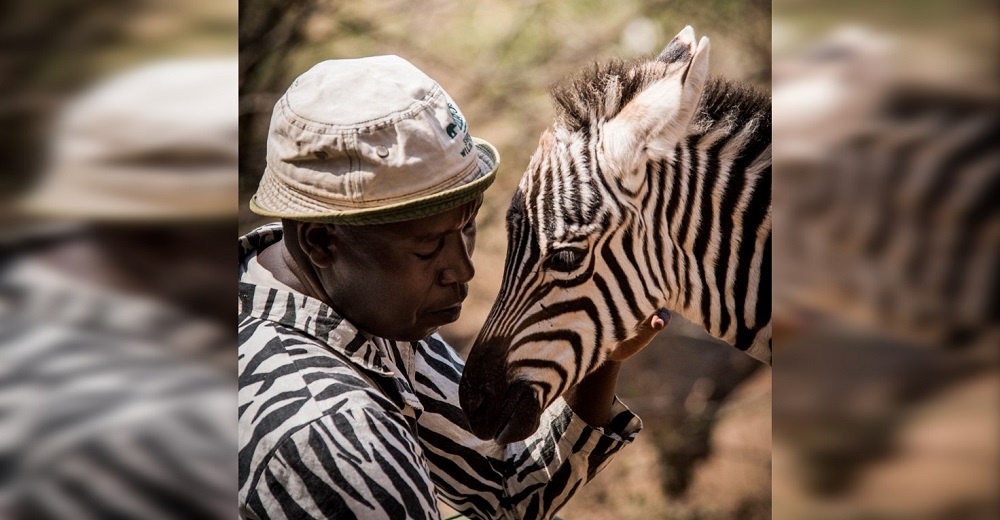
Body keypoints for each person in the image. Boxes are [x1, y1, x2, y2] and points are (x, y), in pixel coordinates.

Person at [238, 55, 665, 520]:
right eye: (428, 249)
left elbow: (501, 486)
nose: (462, 270)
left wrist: (598, 350)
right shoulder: (334, 438)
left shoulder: (354, 309)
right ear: (321, 241)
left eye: (467, 227)